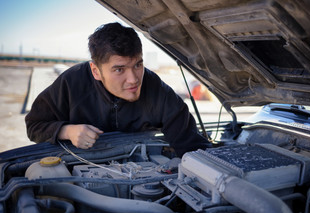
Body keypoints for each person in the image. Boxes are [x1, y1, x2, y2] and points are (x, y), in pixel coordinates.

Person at [25, 22, 210, 157]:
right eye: (119, 69)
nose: (134, 79)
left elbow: (190, 144)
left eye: (138, 65)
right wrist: (67, 131)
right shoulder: (71, 83)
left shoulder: (156, 89)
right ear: (96, 71)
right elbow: (33, 126)